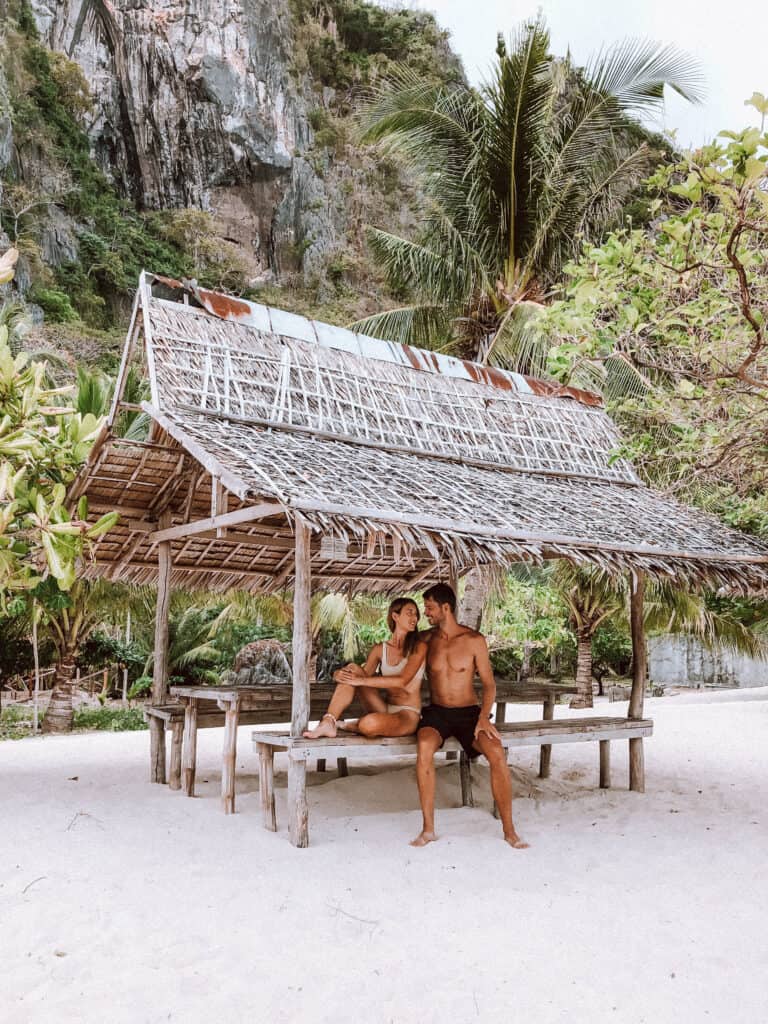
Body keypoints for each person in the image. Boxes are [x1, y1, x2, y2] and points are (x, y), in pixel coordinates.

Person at [411, 582, 529, 850]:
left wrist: (484, 717)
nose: (425, 613)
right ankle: (428, 829)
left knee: (497, 752)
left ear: (445, 608)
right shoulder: (427, 640)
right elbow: (397, 646)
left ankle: (509, 830)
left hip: (469, 714)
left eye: (429, 608)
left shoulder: (474, 641)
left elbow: (489, 684)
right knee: (424, 748)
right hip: (437, 713)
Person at [303, 597, 427, 739]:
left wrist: (359, 680)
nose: (415, 617)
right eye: (409, 612)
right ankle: (328, 722)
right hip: (383, 708)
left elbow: (403, 681)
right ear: (395, 616)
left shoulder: (419, 647)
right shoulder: (380, 649)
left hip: (407, 714)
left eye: (416, 614)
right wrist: (337, 674)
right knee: (352, 668)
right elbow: (360, 677)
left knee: (368, 724)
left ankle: (348, 725)